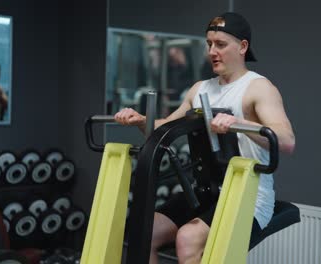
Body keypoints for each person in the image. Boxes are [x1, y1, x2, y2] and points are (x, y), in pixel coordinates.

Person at [114, 12, 295, 264]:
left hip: (248, 197)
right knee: (145, 230)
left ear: (243, 47)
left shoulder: (258, 88)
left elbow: (286, 141)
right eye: (209, 44)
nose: (212, 51)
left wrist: (239, 124)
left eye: (221, 44)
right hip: (205, 191)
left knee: (188, 238)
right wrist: (140, 120)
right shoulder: (200, 89)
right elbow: (164, 127)